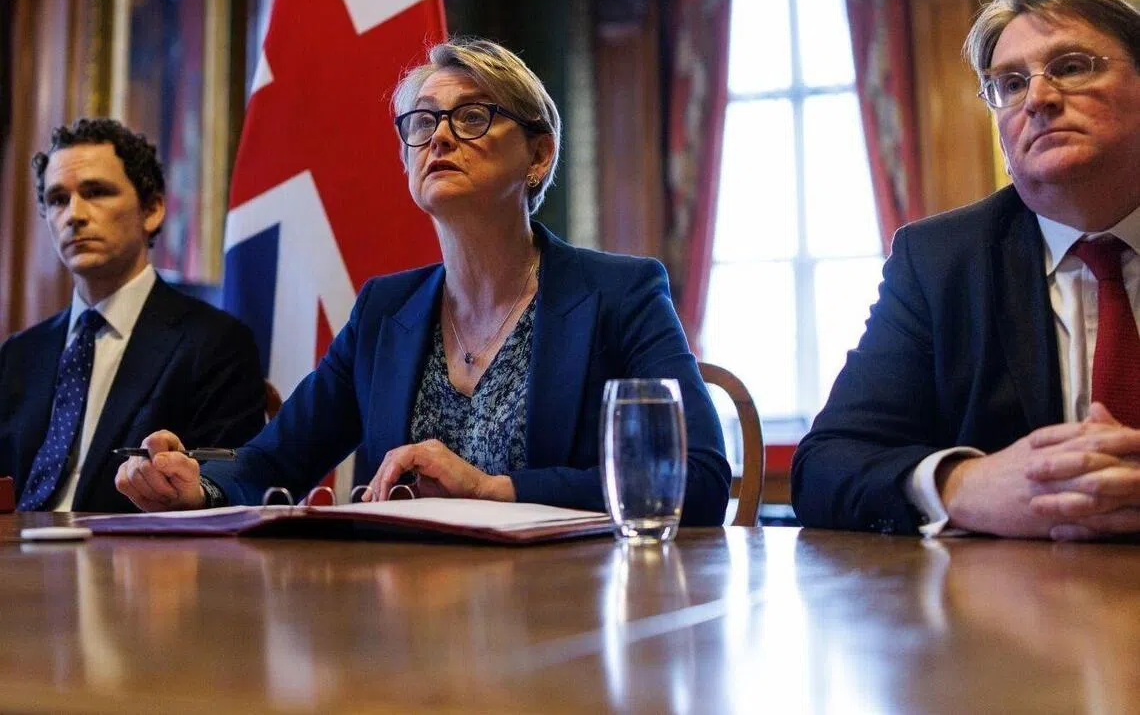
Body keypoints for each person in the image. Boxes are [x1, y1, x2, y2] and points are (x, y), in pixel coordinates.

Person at [116, 38, 731, 522]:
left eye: (470, 116)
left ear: (539, 155)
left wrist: (496, 489)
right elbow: (273, 460)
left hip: (569, 620)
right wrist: (195, 484)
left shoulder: (620, 296)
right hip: (404, 626)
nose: (437, 136)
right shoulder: (385, 310)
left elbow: (695, 479)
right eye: (420, 122)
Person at [792, 0, 1140, 541]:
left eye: (1073, 67)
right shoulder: (941, 262)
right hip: (1012, 609)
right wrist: (961, 485)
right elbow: (827, 466)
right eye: (1009, 83)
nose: (1039, 99)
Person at [0, 118, 265, 512]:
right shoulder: (20, 354)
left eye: (96, 192)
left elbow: (226, 491)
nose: (74, 214)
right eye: (58, 199)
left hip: (133, 565)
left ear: (153, 209)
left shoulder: (215, 343)